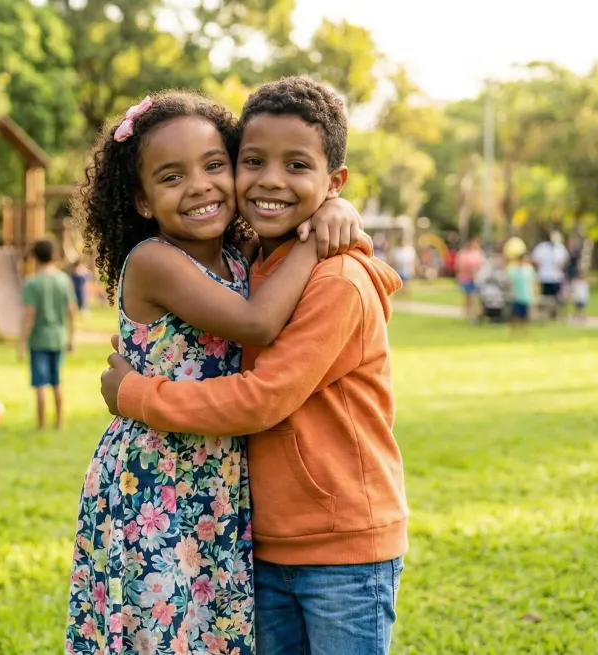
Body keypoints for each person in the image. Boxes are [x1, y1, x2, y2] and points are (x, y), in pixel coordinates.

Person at [98, 77, 407, 655]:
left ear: (332, 180)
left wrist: (335, 219)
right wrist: (326, 218)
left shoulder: (331, 279)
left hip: (337, 544)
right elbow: (255, 320)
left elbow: (260, 396)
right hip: (234, 521)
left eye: (295, 165)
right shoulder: (251, 262)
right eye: (253, 162)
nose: (268, 180)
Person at [19, 239, 77, 430]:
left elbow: (29, 315)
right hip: (58, 337)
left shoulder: (32, 282)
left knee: (40, 384)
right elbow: (71, 311)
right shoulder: (63, 280)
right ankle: (59, 422)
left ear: (34, 257)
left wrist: (21, 343)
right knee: (57, 381)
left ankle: (41, 424)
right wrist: (72, 337)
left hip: (39, 339)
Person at [531, 231, 569, 321]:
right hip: (544, 277)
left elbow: (564, 261)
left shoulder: (560, 248)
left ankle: (555, 314)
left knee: (557, 298)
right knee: (545, 298)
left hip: (556, 277)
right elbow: (535, 260)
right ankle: (546, 315)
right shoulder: (541, 248)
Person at [476, 250, 511, 324]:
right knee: (490, 302)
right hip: (488, 291)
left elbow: (504, 281)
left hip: (499, 292)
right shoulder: (487, 268)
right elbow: (480, 280)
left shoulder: (502, 270)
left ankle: (497, 318)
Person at [455, 237, 485, 321]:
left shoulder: (479, 253)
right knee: (467, 297)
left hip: (475, 279)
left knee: (474, 297)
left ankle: (473, 314)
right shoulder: (463, 254)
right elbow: (459, 266)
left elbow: (481, 265)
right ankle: (467, 314)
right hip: (465, 278)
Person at [508, 252, 536, 336]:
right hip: (517, 296)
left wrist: (534, 294)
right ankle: (514, 332)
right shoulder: (514, 270)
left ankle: (526, 332)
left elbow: (533, 282)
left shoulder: (529, 270)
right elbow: (510, 282)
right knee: (516, 315)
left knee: (526, 316)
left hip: (527, 296)